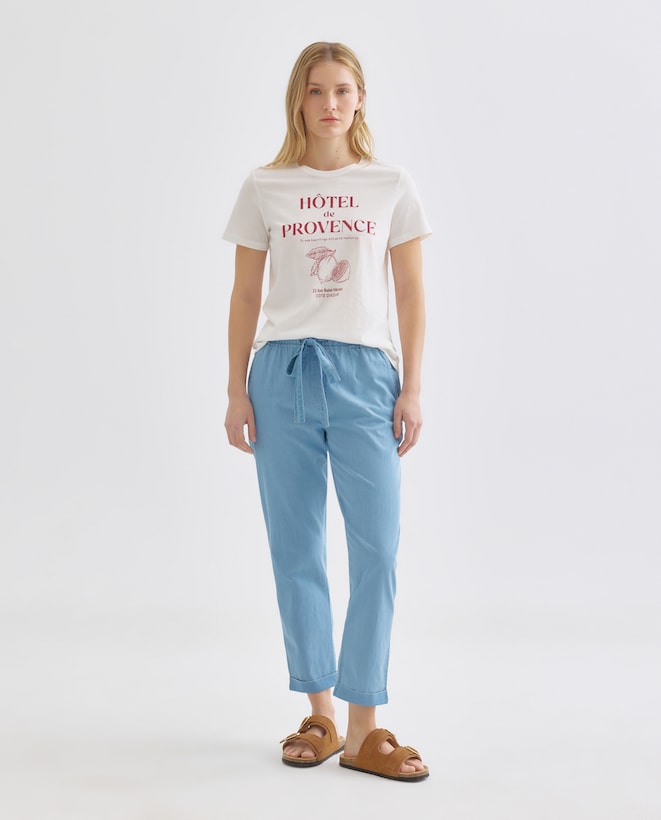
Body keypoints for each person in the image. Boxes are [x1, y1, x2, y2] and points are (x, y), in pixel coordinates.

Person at [223, 41, 431, 782]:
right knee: (296, 546)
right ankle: (320, 714)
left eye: (343, 90)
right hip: (280, 374)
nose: (330, 104)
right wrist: (236, 388)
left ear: (360, 98)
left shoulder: (390, 185)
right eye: (316, 90)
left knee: (376, 549)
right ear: (299, 100)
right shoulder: (265, 186)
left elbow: (410, 291)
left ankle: (365, 725)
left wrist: (411, 386)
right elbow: (246, 294)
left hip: (366, 374)